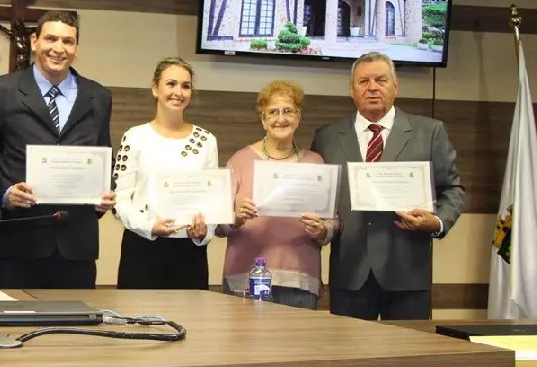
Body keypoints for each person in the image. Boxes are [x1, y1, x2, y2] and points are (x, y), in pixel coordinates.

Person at [311, 52, 465, 320]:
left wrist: (437, 222)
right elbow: (320, 197)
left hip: (408, 272)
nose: (372, 88)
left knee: (409, 348)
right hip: (350, 272)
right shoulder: (326, 137)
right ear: (351, 89)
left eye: (380, 80)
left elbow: (452, 189)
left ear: (396, 86)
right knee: (348, 348)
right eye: (363, 81)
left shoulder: (429, 132)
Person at [0, 10, 114, 288]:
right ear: (34, 41)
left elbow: (103, 156)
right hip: (18, 242)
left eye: (68, 41)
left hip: (77, 244)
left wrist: (103, 194)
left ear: (77, 48)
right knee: (12, 315)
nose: (59, 49)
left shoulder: (99, 96)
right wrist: (4, 192)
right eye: (51, 39)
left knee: (74, 318)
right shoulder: (2, 90)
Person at [216, 80, 332, 309]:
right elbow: (218, 225)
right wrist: (235, 218)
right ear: (263, 119)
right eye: (273, 112)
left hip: (299, 281)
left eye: (288, 111)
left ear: (298, 116)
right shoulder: (240, 160)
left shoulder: (315, 162)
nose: (281, 118)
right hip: (245, 278)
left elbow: (333, 222)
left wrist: (322, 230)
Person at [112, 57, 215, 289]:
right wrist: (148, 226)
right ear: (155, 88)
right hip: (142, 249)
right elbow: (119, 200)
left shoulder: (206, 140)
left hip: (189, 253)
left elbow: (211, 199)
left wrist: (203, 232)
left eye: (186, 86)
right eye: (171, 84)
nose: (178, 92)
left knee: (193, 313)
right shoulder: (134, 137)